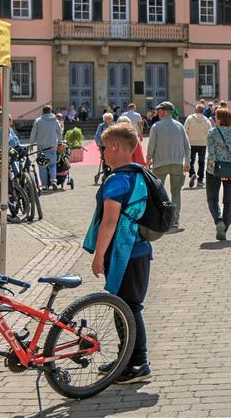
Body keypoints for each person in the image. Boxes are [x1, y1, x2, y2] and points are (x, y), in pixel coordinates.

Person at [83, 123, 153, 384]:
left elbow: (109, 222)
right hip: (140, 251)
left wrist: (98, 255)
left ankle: (138, 364)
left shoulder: (117, 181)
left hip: (125, 253)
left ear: (114, 147)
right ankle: (127, 358)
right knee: (124, 307)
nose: (102, 152)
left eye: (103, 147)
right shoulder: (139, 174)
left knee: (129, 308)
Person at [145, 101, 189, 230]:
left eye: (159, 111)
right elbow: (187, 146)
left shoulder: (156, 126)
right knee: (176, 192)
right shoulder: (179, 126)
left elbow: (151, 144)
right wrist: (187, 162)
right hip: (177, 164)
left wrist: (148, 159)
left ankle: (161, 218)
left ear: (163, 112)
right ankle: (174, 220)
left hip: (160, 164)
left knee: (158, 192)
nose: (158, 114)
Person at [206, 107, 231, 241]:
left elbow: (211, 154)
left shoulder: (212, 132)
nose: (215, 119)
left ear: (220, 118)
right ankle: (225, 228)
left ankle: (218, 221)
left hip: (214, 169)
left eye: (216, 116)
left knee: (212, 199)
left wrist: (214, 168)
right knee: (228, 201)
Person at [29, 105, 61, 189]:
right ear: (51, 111)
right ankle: (53, 180)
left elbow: (33, 133)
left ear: (42, 112)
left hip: (41, 147)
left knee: (42, 166)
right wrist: (60, 142)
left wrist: (31, 143)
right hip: (52, 146)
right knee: (53, 164)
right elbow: (59, 132)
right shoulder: (55, 121)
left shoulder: (38, 121)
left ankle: (44, 185)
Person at [184, 104, 212, 188]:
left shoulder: (189, 118)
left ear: (195, 110)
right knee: (201, 161)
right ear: (203, 111)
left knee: (190, 160)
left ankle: (192, 173)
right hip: (202, 143)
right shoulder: (206, 120)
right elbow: (210, 132)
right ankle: (200, 180)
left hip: (191, 143)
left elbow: (185, 130)